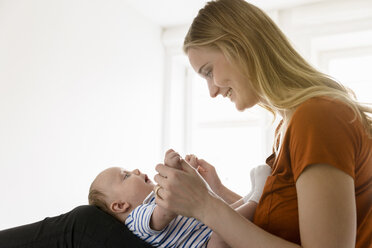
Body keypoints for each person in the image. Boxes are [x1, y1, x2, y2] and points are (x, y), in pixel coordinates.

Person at [153, 0, 372, 248]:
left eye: (208, 71)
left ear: (240, 47)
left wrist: (206, 205)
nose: (212, 90)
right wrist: (217, 193)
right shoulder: (288, 128)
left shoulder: (317, 118)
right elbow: (279, 224)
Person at [88, 149, 271, 248]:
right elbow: (166, 210)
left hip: (208, 230)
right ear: (120, 205)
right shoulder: (136, 219)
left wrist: (186, 176)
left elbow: (190, 203)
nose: (135, 171)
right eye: (126, 176)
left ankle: (250, 196)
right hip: (207, 244)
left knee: (221, 213)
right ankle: (257, 198)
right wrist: (173, 172)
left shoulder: (155, 198)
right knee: (219, 233)